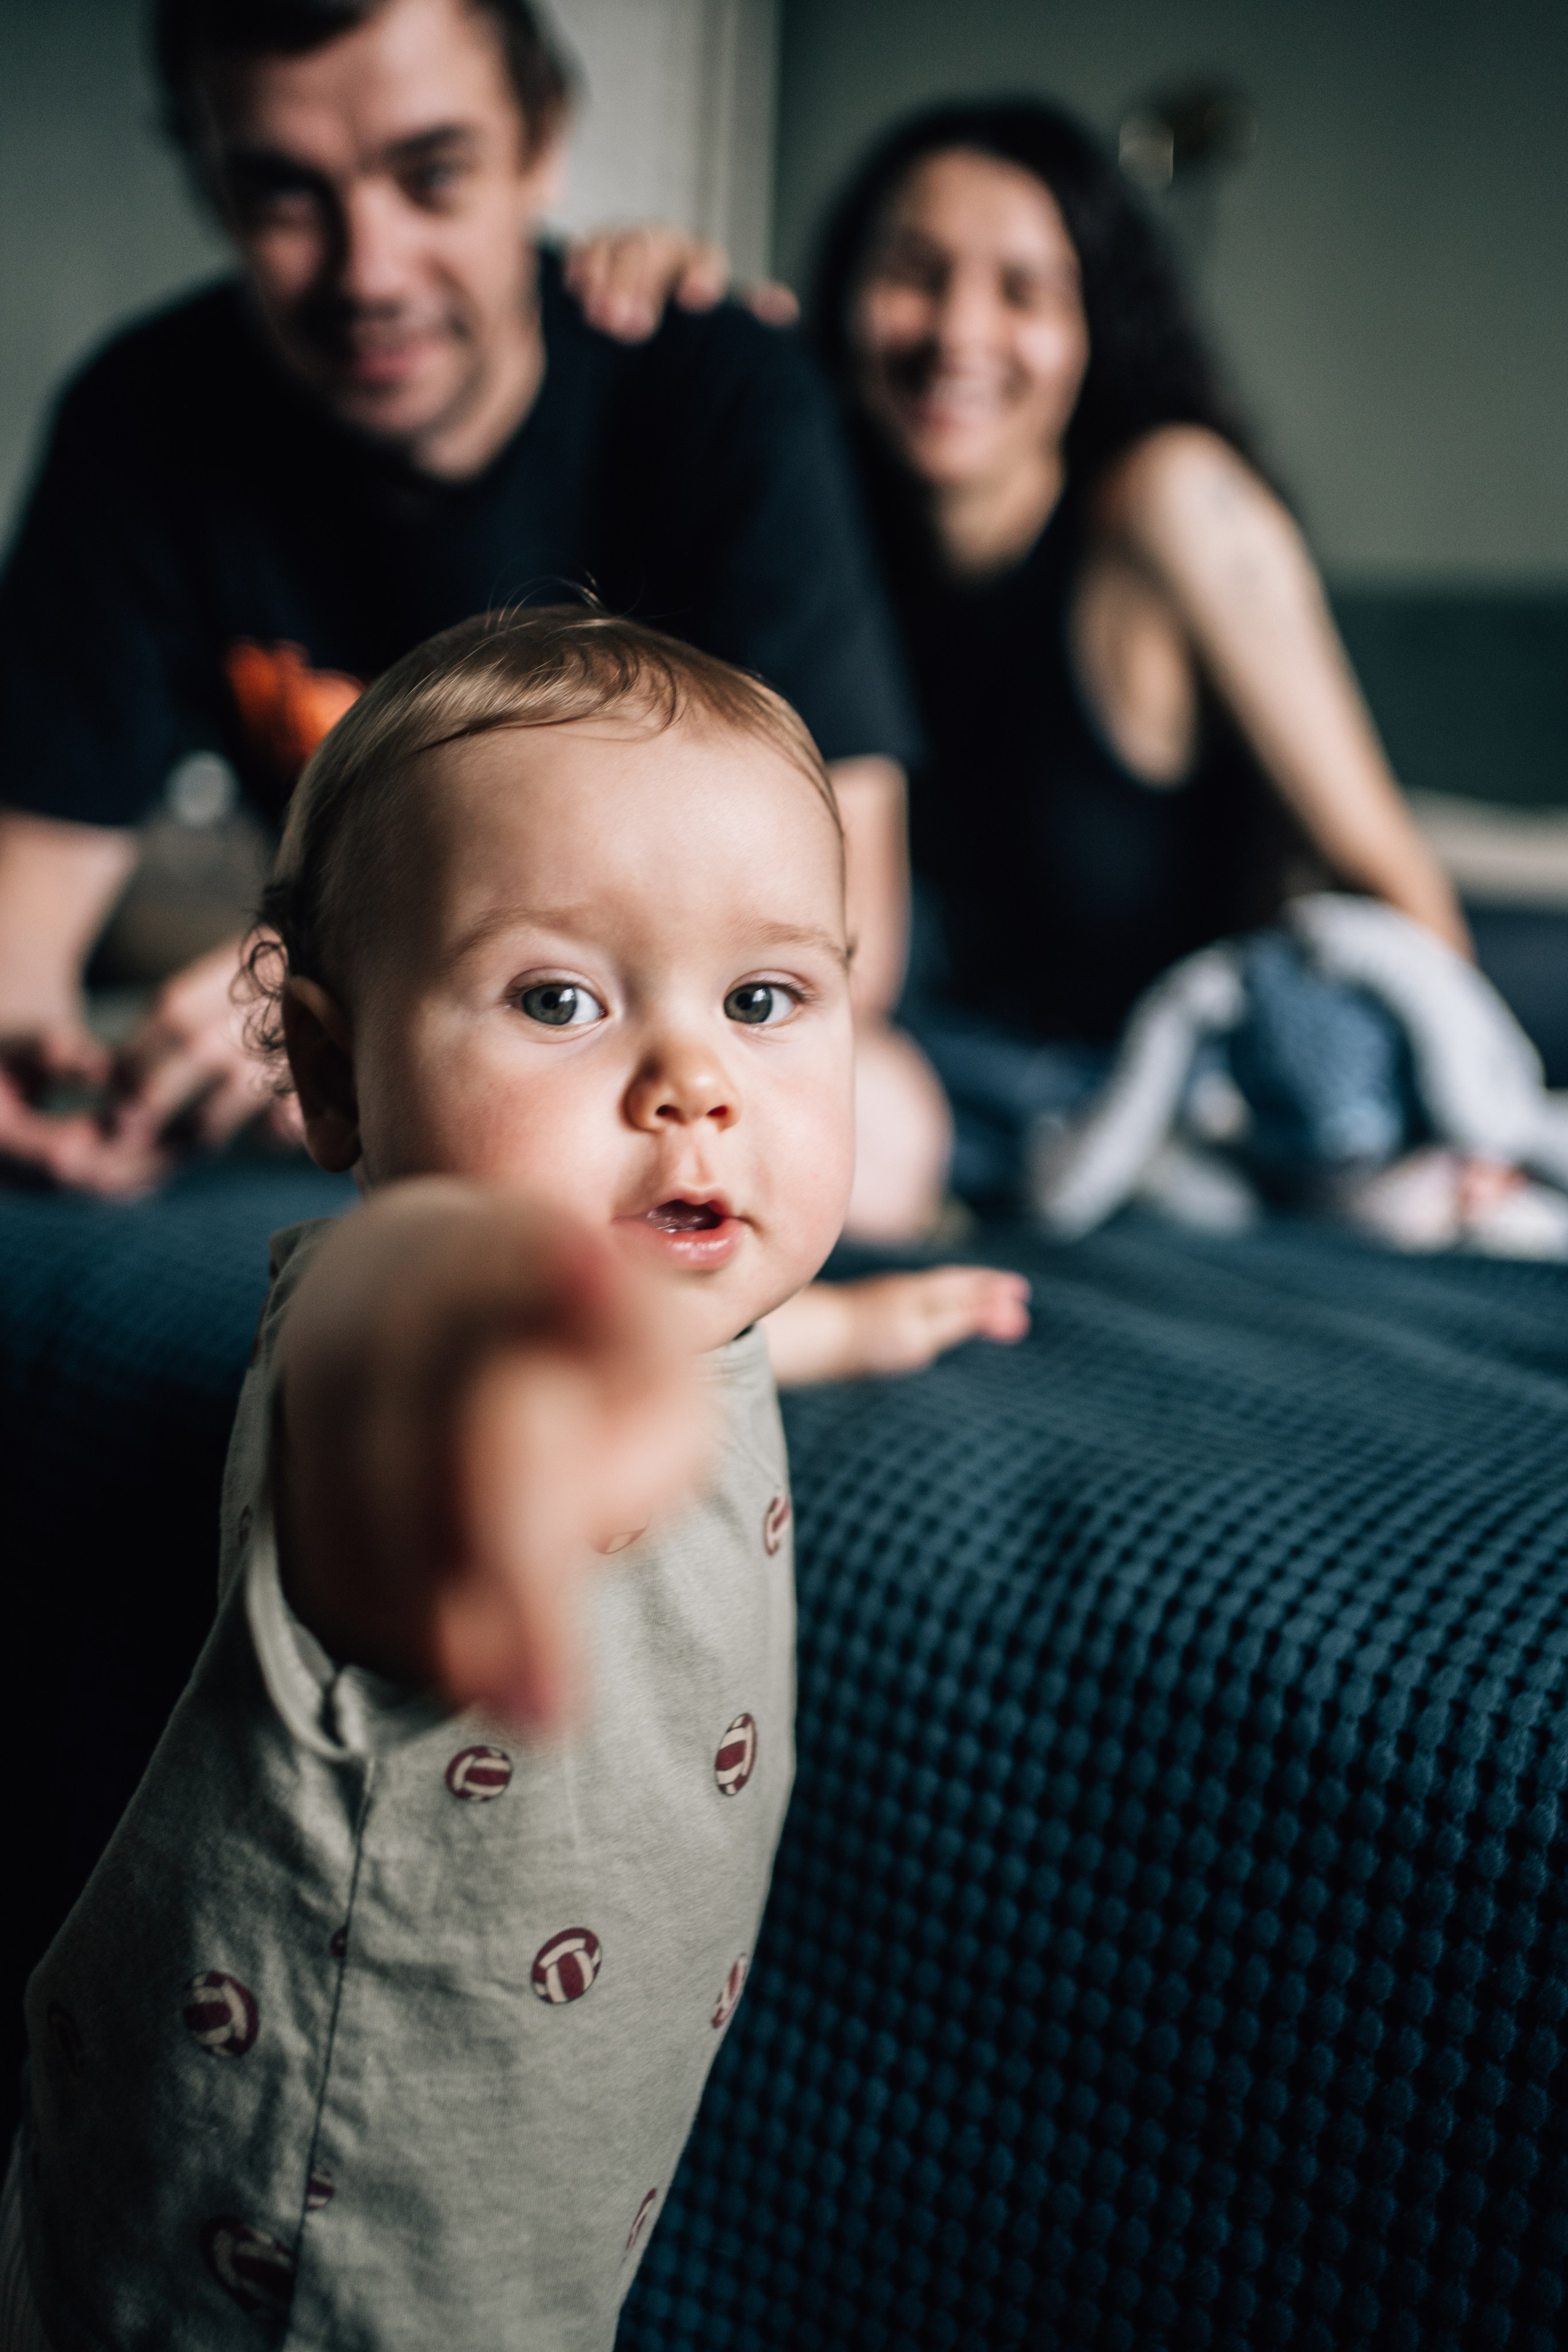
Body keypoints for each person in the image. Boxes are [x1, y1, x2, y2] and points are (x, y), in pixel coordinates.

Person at [3, 606, 1027, 2350]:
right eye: (559, 998)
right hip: (282, 2234)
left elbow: (701, 1357)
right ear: (331, 1074)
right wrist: (484, 1399)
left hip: (523, 2200)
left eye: (767, 998)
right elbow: (401, 1342)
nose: (693, 1081)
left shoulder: (686, 1321)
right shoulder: (403, 1336)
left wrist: (845, 1331)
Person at [0, 0, 944, 1235]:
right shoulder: (140, 420)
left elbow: (849, 924)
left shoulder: (722, 390)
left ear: (540, 142)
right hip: (348, 1003)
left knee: (886, 1135)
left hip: (618, 1008)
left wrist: (388, 1002)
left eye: (431, 176)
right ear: (211, 179)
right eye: (284, 197)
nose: (368, 272)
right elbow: (22, 937)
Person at [571, 99, 1468, 1209]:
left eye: (1023, 292)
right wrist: (673, 298)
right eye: (915, 273)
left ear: (1098, 324)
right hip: (967, 1083)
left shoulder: (1172, 506)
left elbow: (1379, 860)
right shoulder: (811, 518)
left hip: (1191, 1078)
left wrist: (1474, 1119)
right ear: (846, 295)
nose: (960, 334)